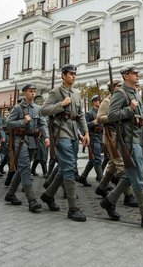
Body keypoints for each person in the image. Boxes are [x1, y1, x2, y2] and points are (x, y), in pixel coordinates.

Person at [99, 65, 143, 231]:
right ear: (125, 75)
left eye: (137, 73)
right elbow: (112, 116)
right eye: (134, 73)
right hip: (127, 141)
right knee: (139, 177)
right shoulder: (120, 94)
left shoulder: (135, 93)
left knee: (130, 175)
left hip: (138, 139)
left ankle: (109, 201)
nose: (137, 75)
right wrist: (130, 109)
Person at [40, 64, 89, 221]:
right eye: (70, 74)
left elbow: (80, 115)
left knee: (65, 167)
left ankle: (48, 195)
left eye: (75, 74)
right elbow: (44, 111)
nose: (73, 76)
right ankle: (73, 208)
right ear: (63, 75)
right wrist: (61, 104)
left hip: (73, 133)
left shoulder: (76, 93)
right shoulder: (56, 91)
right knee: (69, 168)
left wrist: (85, 132)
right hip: (61, 133)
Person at [4, 84, 50, 212]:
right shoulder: (18, 108)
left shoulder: (38, 108)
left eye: (34, 92)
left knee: (22, 168)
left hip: (33, 141)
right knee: (25, 169)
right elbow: (8, 123)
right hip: (20, 142)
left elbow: (42, 124)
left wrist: (46, 137)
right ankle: (32, 200)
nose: (33, 94)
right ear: (24, 93)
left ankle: (10, 194)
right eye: (30, 91)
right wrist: (22, 122)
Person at [95, 79, 138, 207]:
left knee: (113, 164)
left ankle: (102, 187)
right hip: (110, 135)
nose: (121, 87)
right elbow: (99, 118)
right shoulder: (107, 101)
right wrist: (114, 116)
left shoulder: (123, 99)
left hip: (122, 134)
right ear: (112, 88)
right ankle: (128, 195)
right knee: (120, 164)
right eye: (118, 86)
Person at [77, 94, 103, 186]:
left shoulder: (101, 112)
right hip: (93, 137)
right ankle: (102, 182)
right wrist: (94, 122)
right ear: (94, 102)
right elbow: (84, 126)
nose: (100, 102)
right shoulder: (89, 113)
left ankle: (83, 177)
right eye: (98, 100)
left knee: (93, 160)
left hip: (100, 137)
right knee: (97, 159)